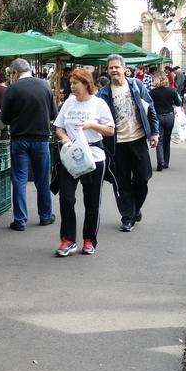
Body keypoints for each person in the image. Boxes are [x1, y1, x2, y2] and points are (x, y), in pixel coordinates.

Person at [51, 69, 116, 256]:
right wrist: (65, 140)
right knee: (66, 198)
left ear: (87, 84)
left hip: (94, 157)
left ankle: (89, 239)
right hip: (71, 156)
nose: (71, 87)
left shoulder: (99, 104)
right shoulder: (68, 103)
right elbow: (59, 127)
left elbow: (110, 130)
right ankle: (68, 240)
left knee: (92, 201)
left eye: (75, 83)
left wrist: (91, 125)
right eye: (71, 83)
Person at [97, 54, 160, 232]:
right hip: (117, 145)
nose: (114, 70)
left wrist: (154, 132)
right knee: (122, 183)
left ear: (124, 69)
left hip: (138, 140)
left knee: (143, 178)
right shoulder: (103, 93)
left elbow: (150, 108)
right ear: (107, 71)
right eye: (111, 68)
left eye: (117, 67)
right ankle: (127, 217)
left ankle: (135, 208)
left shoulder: (136, 85)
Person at [0, 58, 56, 232]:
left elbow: (5, 119)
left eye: (11, 74)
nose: (11, 77)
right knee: (42, 178)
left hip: (19, 139)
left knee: (19, 179)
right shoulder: (45, 85)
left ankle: (20, 220)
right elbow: (53, 113)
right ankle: (45, 215)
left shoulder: (13, 89)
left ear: (16, 73)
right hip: (41, 139)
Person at [150, 71, 182, 171]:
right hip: (169, 116)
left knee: (158, 140)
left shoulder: (152, 92)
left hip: (157, 117)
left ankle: (160, 162)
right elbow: (178, 103)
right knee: (167, 140)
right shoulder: (172, 91)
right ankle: (166, 162)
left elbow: (149, 105)